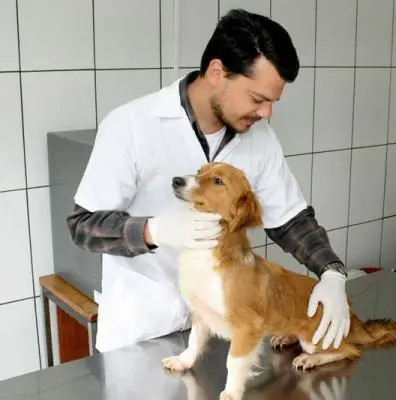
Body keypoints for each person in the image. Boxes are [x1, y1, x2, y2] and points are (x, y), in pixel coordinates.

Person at [67, 8, 350, 354]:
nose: (266, 113)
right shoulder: (131, 125)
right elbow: (82, 225)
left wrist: (331, 272)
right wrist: (153, 231)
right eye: (258, 99)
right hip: (143, 330)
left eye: (272, 102)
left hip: (222, 326)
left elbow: (291, 221)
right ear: (217, 72)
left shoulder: (260, 139)